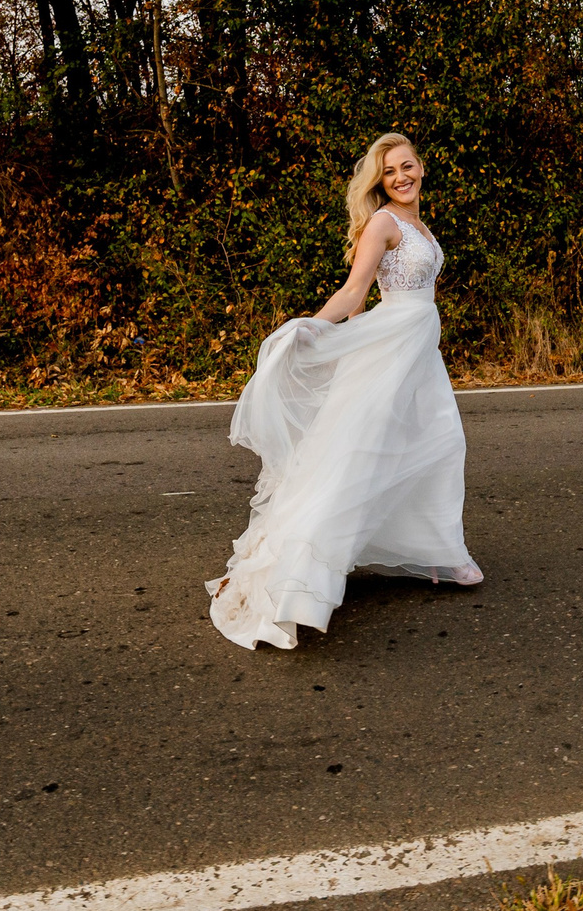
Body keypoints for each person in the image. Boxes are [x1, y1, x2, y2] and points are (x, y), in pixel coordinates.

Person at [206, 132, 484, 650]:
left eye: (406, 166)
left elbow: (383, 296)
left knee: (439, 442)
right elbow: (356, 289)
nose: (400, 177)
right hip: (393, 350)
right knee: (359, 456)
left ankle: (440, 551)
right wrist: (316, 327)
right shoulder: (383, 223)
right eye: (389, 172)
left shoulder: (418, 223)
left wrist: (354, 330)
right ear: (380, 182)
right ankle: (301, 575)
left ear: (421, 167)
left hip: (417, 352)